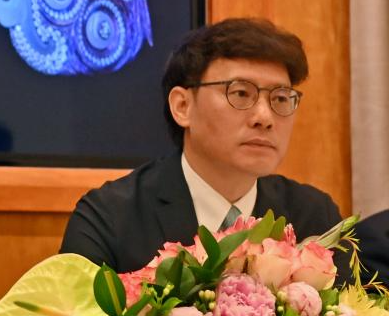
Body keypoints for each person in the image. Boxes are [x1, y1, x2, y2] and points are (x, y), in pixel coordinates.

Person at [60, 17, 342, 273]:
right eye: (240, 93)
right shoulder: (111, 218)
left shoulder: (314, 217)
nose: (264, 118)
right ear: (182, 106)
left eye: (280, 98)